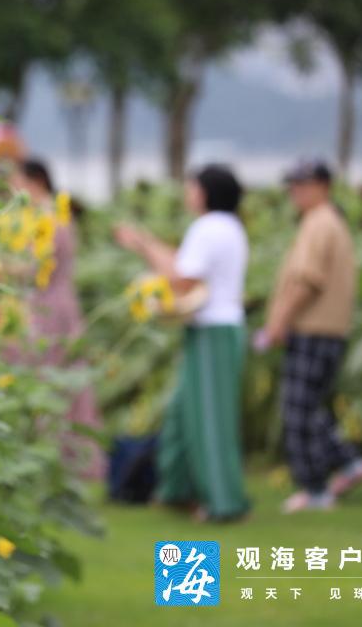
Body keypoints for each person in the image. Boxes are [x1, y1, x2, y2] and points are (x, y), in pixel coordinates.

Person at [114, 164, 249, 521]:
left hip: (212, 332)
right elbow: (183, 265)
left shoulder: (208, 228)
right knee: (181, 411)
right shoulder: (228, 226)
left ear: (205, 192)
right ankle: (176, 490)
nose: (188, 193)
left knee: (209, 419)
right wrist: (146, 242)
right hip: (218, 330)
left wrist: (141, 245)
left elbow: (180, 279)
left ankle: (224, 503)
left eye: (192, 187)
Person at [257, 158, 362, 514]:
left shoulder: (318, 223)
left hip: (313, 330)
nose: (295, 192)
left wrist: (278, 323)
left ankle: (315, 488)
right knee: (309, 408)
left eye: (302, 185)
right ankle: (350, 462)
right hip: (328, 332)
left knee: (297, 411)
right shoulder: (329, 221)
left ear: (323, 186)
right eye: (293, 185)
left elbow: (307, 281)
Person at [8, 158, 104, 478]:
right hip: (58, 304)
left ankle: (56, 459)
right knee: (59, 380)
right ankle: (63, 459)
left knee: (47, 380)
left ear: (34, 181)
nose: (12, 188)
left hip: (48, 309)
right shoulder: (54, 214)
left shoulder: (48, 217)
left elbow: (33, 268)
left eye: (16, 181)